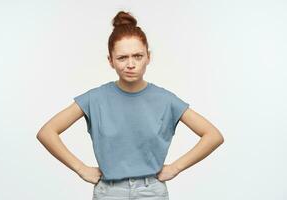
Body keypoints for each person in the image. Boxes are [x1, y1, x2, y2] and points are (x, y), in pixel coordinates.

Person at [36, 11, 224, 200]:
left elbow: (213, 135)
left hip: (152, 192)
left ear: (148, 57)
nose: (131, 64)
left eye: (137, 56)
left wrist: (176, 167)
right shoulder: (95, 98)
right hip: (109, 192)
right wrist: (80, 168)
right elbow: (47, 132)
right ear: (111, 61)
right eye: (122, 57)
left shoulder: (166, 99)